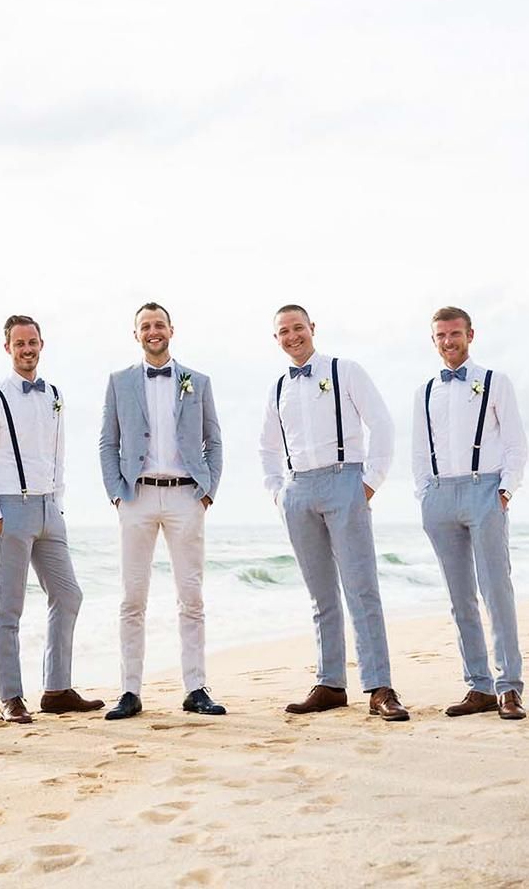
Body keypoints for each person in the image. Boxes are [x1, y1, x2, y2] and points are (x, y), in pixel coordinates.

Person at [259, 304, 409, 721]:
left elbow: (383, 424)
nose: (292, 336)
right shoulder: (277, 389)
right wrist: (278, 492)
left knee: (361, 588)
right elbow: (267, 448)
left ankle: (380, 687)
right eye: (284, 331)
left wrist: (369, 483)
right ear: (277, 339)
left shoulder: (346, 370)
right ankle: (330, 684)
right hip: (298, 490)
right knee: (320, 594)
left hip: (346, 481)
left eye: (298, 328)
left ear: (313, 328)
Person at [0, 314, 103, 724]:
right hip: (11, 508)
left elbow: (58, 455)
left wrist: (57, 504)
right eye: (19, 343)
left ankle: (57, 689)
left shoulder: (54, 395)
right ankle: (11, 697)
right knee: (9, 607)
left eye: (33, 342)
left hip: (49, 510)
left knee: (68, 594)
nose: (27, 349)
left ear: (41, 345)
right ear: (7, 348)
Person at [100, 302, 225, 719]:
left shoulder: (198, 381)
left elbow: (214, 439)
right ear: (135, 334)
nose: (153, 331)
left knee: (191, 597)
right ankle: (130, 692)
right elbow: (107, 441)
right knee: (132, 598)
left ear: (172, 329)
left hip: (186, 497)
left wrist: (207, 491)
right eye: (145, 326)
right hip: (136, 497)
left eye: (159, 325)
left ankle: (196, 688)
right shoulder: (119, 382)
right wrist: (117, 494)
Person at [413, 306, 527, 720]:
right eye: (441, 335)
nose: (448, 341)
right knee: (459, 597)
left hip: (485, 490)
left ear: (470, 335)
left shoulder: (495, 382)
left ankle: (509, 687)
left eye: (455, 333)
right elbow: (419, 451)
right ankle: (477, 686)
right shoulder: (426, 390)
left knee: (496, 590)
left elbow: (516, 443)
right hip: (440, 496)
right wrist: (424, 495)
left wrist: (503, 491)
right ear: (434, 340)